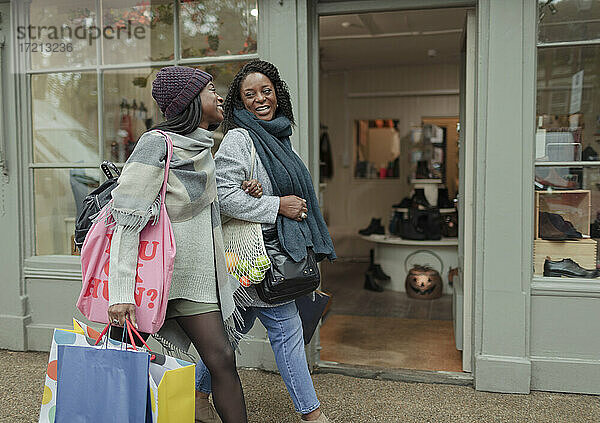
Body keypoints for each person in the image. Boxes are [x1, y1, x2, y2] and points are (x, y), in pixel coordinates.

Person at [106, 66, 250, 423]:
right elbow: (127, 219)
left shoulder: (203, 148)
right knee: (125, 368)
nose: (218, 96)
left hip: (194, 279)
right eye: (210, 89)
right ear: (189, 100)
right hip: (150, 280)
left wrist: (244, 196)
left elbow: (202, 216)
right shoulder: (156, 144)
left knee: (222, 359)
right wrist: (121, 291)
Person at [196, 60, 336, 423]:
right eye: (250, 94)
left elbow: (250, 188)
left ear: (278, 93)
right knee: (287, 332)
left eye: (266, 90)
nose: (260, 99)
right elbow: (224, 195)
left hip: (258, 256)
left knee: (229, 332)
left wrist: (261, 193)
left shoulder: (278, 135)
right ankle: (313, 415)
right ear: (240, 103)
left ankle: (196, 396)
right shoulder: (241, 137)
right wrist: (278, 205)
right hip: (257, 256)